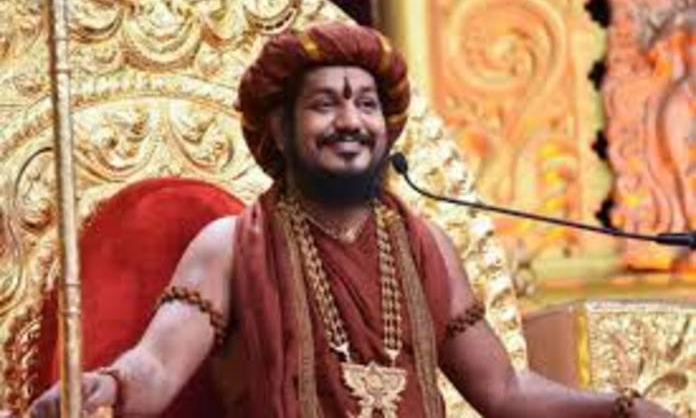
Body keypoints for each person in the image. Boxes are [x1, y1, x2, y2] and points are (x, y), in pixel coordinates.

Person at [27, 22, 672, 417]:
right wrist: (107, 385)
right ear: (280, 129)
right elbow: (158, 368)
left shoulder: (424, 246)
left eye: (366, 104)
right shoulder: (228, 245)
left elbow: (504, 392)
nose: (350, 121)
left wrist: (617, 407)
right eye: (324, 104)